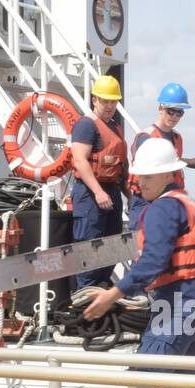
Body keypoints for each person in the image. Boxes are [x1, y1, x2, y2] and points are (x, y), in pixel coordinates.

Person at [82, 138, 195, 388]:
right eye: (139, 176)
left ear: (169, 174)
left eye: (148, 176)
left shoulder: (162, 208)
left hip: (180, 302)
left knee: (149, 373)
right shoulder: (189, 205)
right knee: (185, 382)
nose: (140, 183)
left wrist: (112, 295)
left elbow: (153, 260)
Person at [69, 74, 128, 288]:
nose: (110, 106)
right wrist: (98, 192)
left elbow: (121, 166)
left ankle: (102, 287)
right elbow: (80, 160)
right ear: (95, 100)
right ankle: (85, 292)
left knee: (112, 243)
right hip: (90, 193)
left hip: (112, 190)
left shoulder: (115, 127)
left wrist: (129, 194)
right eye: (105, 101)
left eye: (113, 101)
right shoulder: (86, 125)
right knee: (90, 244)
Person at [126, 82, 195, 232]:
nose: (175, 116)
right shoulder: (146, 137)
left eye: (179, 113)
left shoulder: (177, 138)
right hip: (146, 201)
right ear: (160, 108)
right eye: (171, 111)